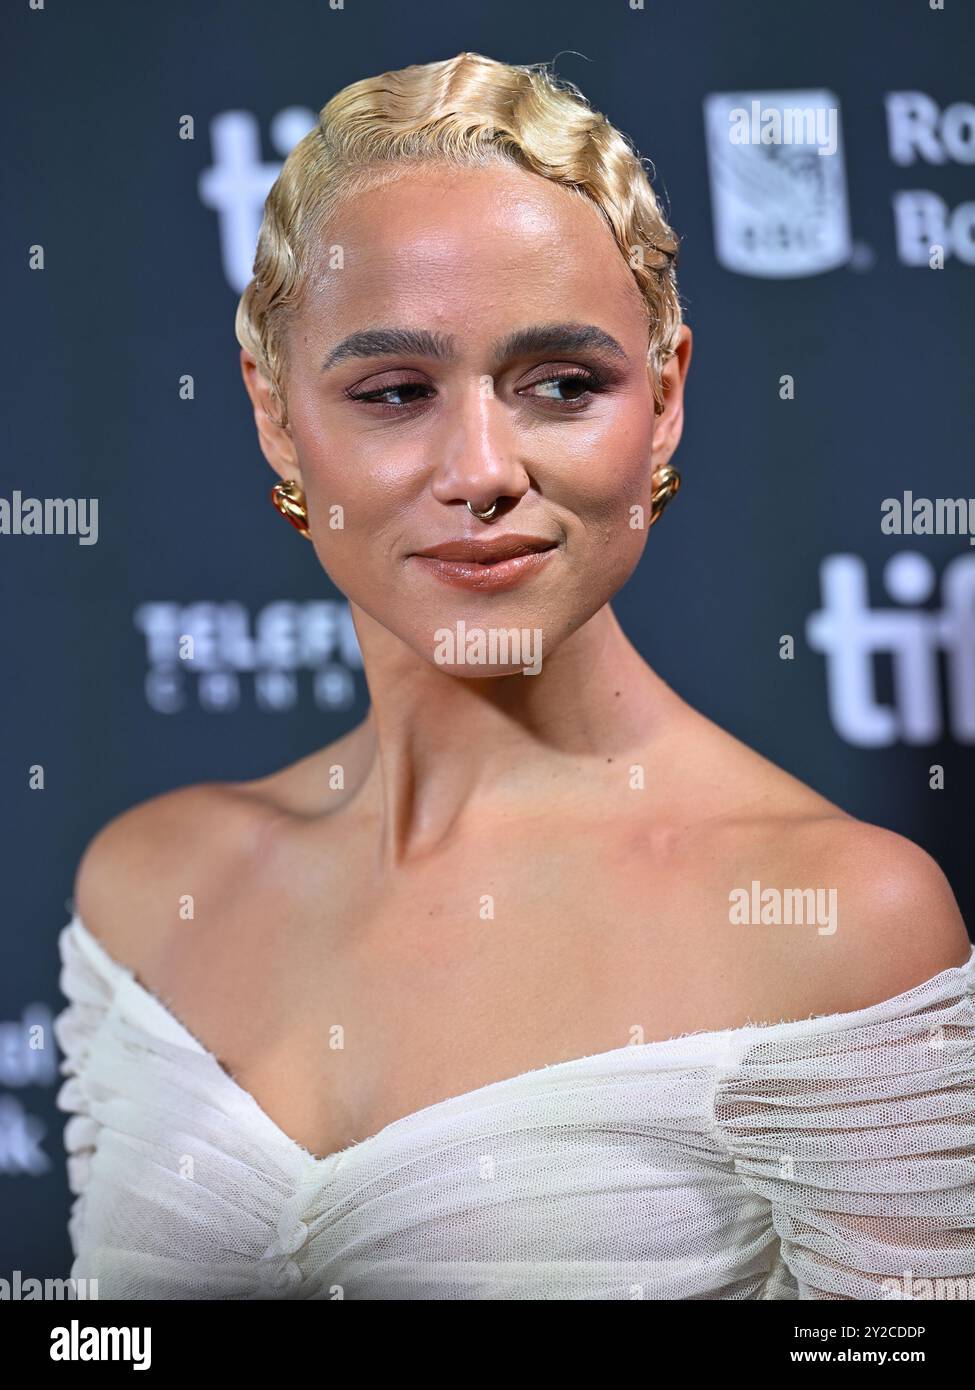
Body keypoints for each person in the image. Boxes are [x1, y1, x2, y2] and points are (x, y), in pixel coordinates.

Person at [54, 51, 975, 1301]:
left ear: (665, 399)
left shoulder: (842, 920)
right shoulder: (146, 889)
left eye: (561, 384)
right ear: (275, 414)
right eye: (394, 391)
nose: (482, 467)